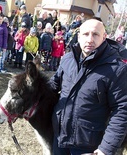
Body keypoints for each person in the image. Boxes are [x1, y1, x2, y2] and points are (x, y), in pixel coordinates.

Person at [49, 19, 127, 155]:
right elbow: (53, 86)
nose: (90, 39)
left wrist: (105, 149)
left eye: (95, 34)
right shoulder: (67, 59)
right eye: (85, 34)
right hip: (60, 138)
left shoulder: (117, 69)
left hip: (88, 145)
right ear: (79, 37)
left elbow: (122, 110)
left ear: (104, 37)